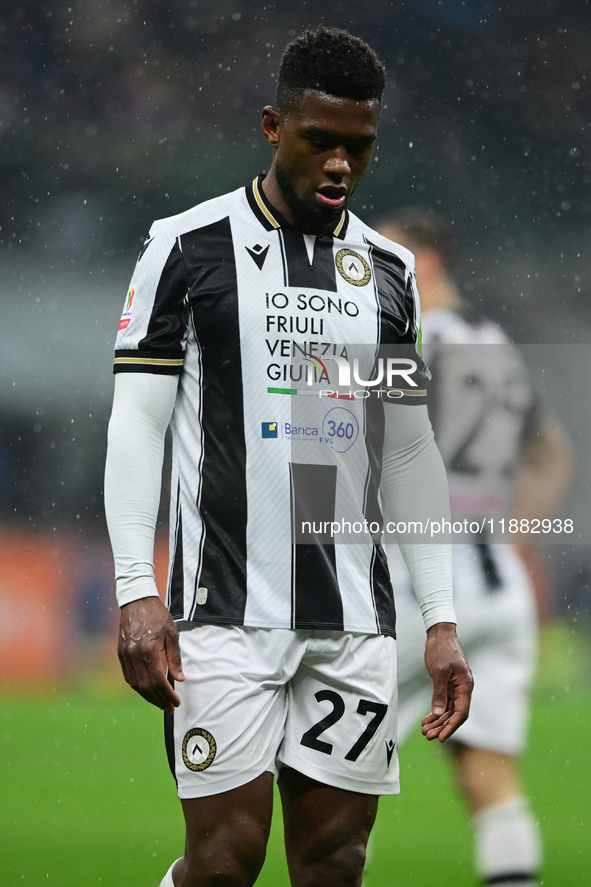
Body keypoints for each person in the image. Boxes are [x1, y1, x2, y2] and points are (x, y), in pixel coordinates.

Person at [104, 29, 473, 887]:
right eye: (320, 140)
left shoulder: (388, 271)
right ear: (274, 125)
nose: (340, 162)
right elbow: (137, 425)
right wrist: (135, 590)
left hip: (352, 623)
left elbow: (409, 447)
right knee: (226, 864)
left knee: (334, 864)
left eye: (359, 146)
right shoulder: (187, 247)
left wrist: (441, 618)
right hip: (221, 617)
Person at [375, 209, 573, 887]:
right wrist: (511, 537)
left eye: (385, 254)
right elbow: (551, 455)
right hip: (496, 585)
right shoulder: (496, 345)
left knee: (326, 768)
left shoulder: (413, 339)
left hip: (418, 593)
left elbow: (364, 441)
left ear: (423, 263)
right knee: (487, 776)